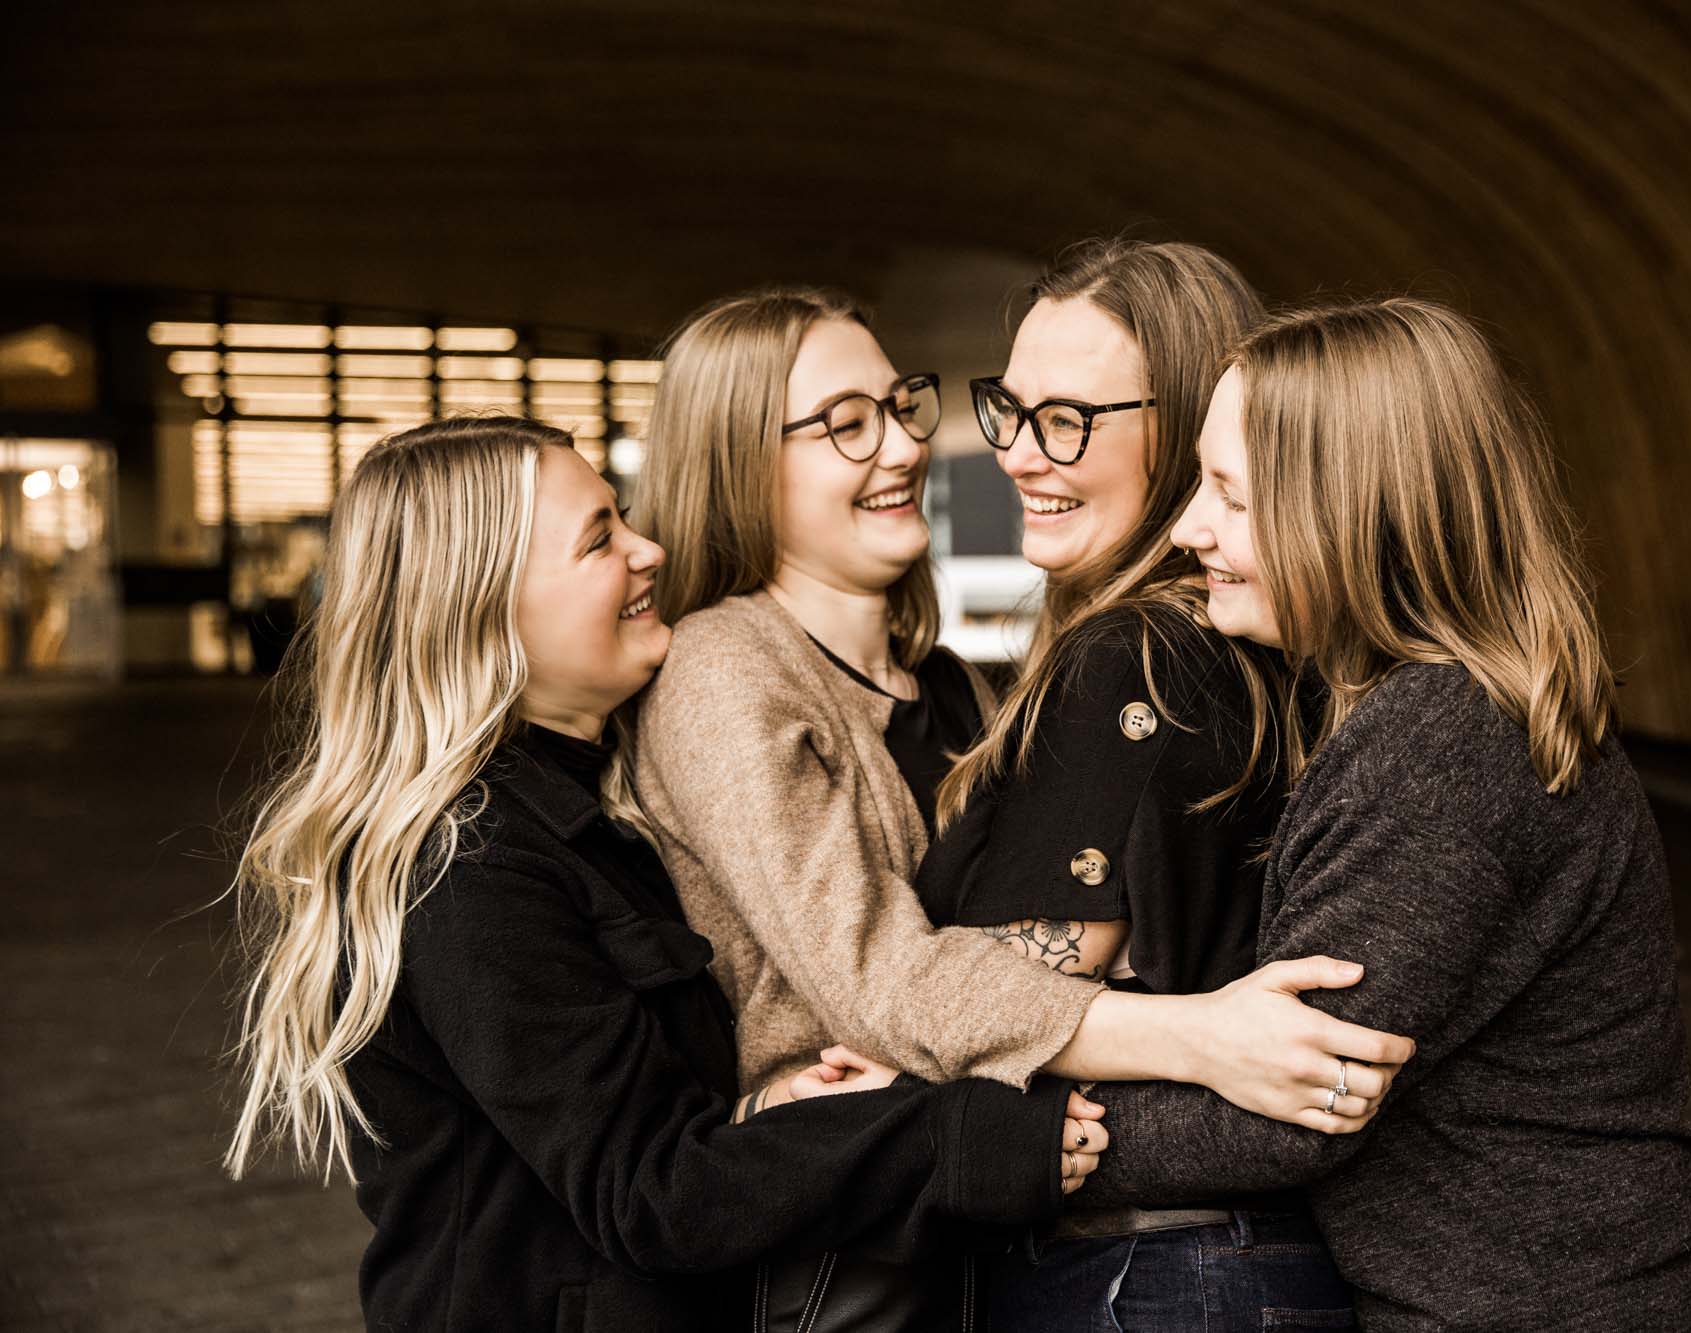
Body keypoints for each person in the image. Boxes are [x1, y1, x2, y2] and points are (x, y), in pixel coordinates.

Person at [629, 285, 1409, 1329]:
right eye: (844, 426)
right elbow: (875, 981)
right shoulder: (723, 669)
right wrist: (1198, 1037)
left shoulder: (954, 686)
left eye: (901, 406)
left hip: (1035, 1231)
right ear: (735, 462)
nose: (904, 448)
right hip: (860, 1242)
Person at [224, 417, 1107, 1333]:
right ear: (483, 608)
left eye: (626, 518)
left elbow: (633, 1119)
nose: (649, 552)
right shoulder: (468, 869)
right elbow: (651, 1193)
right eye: (601, 539)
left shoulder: (592, 813)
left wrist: (767, 1105)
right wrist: (960, 1138)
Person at [1079, 299, 1691, 1332]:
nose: (1188, 529)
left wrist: (991, 1137)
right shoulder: (1441, 710)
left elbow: (1295, 1109)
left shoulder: (1440, 740)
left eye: (1231, 495)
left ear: (1354, 510)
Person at [913, 239, 1378, 1331]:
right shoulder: (1246, 638)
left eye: (1069, 420)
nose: (1020, 456)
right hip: (1227, 1255)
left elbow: (1013, 988)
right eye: (1009, 411)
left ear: (1191, 431)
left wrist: (890, 1009)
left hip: (1155, 1274)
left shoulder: (1134, 655)